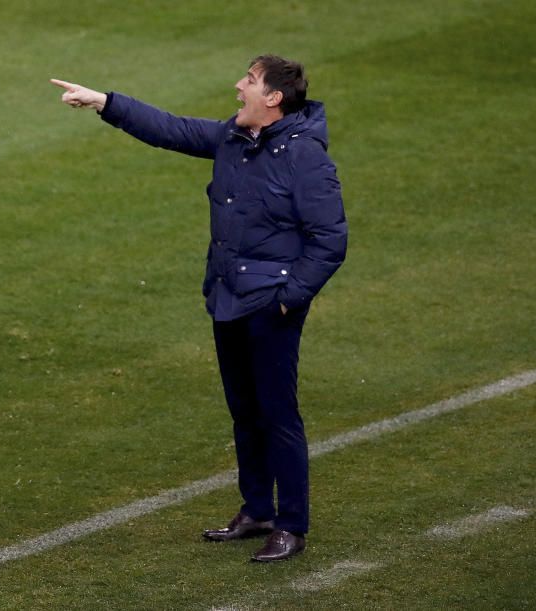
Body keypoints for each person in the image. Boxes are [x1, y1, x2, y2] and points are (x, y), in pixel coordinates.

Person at [51, 55, 347, 562]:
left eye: (249, 82)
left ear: (273, 98)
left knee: (277, 415)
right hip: (228, 295)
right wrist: (105, 103)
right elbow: (172, 129)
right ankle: (257, 510)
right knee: (244, 411)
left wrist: (288, 300)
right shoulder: (235, 138)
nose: (238, 86)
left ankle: (292, 525)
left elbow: (330, 240)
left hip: (270, 304)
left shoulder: (306, 159)